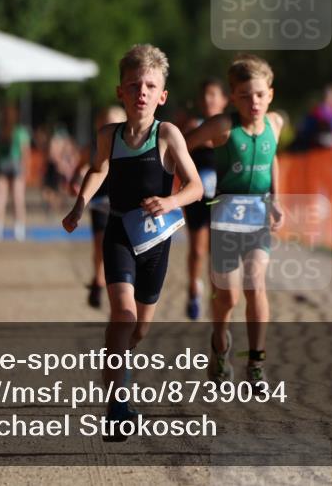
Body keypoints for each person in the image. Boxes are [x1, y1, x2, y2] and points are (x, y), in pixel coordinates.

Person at [61, 44, 202, 442]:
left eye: (150, 85)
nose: (141, 91)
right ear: (120, 92)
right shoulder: (109, 135)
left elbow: (196, 186)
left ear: (162, 96)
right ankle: (116, 408)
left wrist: (170, 200)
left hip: (156, 241)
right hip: (120, 232)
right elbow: (98, 168)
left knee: (139, 327)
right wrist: (80, 204)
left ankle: (119, 364)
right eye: (133, 85)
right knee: (122, 316)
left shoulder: (168, 134)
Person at [186, 54, 284, 387]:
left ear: (270, 93)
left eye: (259, 94)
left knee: (256, 284)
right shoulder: (223, 126)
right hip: (226, 216)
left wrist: (276, 200)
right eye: (244, 95)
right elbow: (181, 146)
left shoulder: (275, 124)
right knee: (227, 296)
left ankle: (256, 362)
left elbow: (272, 160)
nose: (253, 102)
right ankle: (219, 343)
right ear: (232, 97)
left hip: (258, 215)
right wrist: (188, 183)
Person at [182, 78, 229, 320]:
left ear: (224, 100)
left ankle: (215, 301)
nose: (209, 99)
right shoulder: (194, 125)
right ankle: (193, 288)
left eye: (214, 94)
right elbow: (181, 154)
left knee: (216, 255)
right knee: (198, 251)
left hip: (222, 197)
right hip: (198, 196)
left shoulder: (231, 128)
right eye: (205, 95)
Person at [71, 105, 126, 309]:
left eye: (114, 122)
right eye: (105, 122)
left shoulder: (130, 144)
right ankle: (98, 280)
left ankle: (118, 281)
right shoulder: (93, 145)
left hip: (124, 202)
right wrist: (75, 181)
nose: (109, 126)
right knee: (99, 245)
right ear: (98, 124)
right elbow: (82, 166)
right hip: (100, 201)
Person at [0, 104, 31, 242]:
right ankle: (19, 230)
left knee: (0, 197)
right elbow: (25, 151)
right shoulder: (20, 131)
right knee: (18, 198)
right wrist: (25, 168)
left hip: (1, 164)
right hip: (16, 164)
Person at [292, 83, 332, 150]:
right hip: (312, 155)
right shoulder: (312, 116)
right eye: (325, 98)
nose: (327, 101)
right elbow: (301, 136)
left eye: (330, 98)